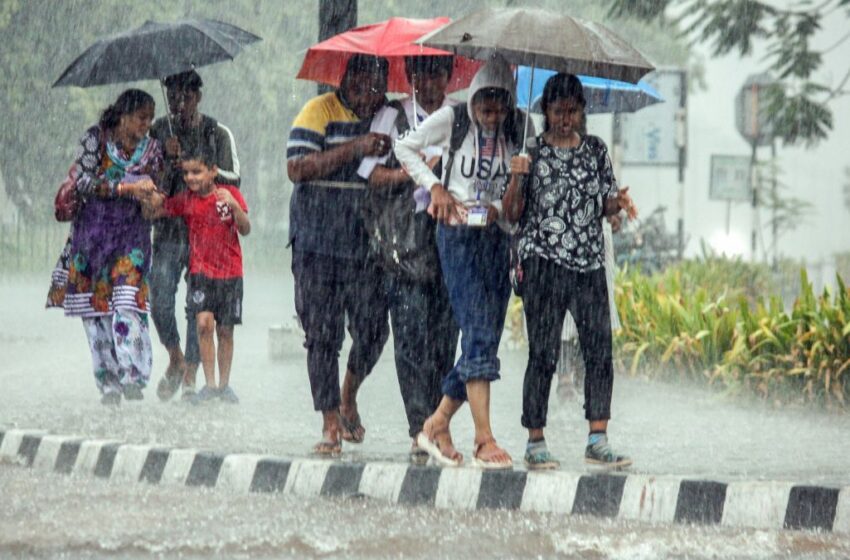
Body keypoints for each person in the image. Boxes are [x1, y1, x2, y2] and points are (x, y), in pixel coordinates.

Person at [394, 55, 532, 469]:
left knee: (484, 337)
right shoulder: (452, 120)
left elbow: (513, 208)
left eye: (499, 108)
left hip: (497, 239)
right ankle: (483, 438)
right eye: (484, 108)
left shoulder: (522, 130)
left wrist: (509, 188)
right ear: (472, 100)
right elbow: (405, 147)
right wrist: (435, 186)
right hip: (455, 235)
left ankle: (435, 422)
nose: (491, 117)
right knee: (475, 330)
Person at [503, 73, 637, 470]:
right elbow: (512, 215)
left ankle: (598, 436)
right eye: (558, 111)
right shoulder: (531, 152)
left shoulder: (595, 150)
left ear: (582, 112)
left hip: (589, 263)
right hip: (543, 262)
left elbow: (603, 204)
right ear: (545, 111)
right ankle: (535, 439)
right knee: (542, 354)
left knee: (598, 351)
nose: (565, 119)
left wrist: (619, 205)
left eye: (572, 112)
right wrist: (516, 176)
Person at [286, 54, 392, 456]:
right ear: (346, 80)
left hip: (366, 243)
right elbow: (297, 168)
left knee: (374, 329)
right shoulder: (318, 111)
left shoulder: (388, 116)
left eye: (377, 85)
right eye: (362, 82)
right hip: (316, 242)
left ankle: (349, 393)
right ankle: (330, 421)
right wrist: (356, 148)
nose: (369, 93)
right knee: (322, 335)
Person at [357, 55, 460, 463]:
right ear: (411, 76)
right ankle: (418, 426)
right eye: (421, 73)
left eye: (436, 72)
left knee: (444, 337)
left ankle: (439, 423)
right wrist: (417, 174)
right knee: (410, 337)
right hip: (403, 245)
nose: (429, 80)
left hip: (449, 240)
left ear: (448, 76)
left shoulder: (459, 118)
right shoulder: (393, 117)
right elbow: (370, 175)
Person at [60, 89, 162, 405]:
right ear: (124, 116)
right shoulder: (95, 139)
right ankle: (108, 383)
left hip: (131, 237)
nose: (147, 124)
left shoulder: (153, 149)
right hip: (93, 236)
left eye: (150, 118)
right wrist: (125, 187)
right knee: (96, 311)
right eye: (141, 118)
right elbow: (83, 182)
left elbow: (157, 191)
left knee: (128, 301)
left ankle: (133, 374)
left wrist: (153, 200)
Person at [149, 70, 241, 402]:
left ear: (198, 97)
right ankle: (175, 356)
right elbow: (149, 184)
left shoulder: (216, 132)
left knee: (197, 306)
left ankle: (191, 370)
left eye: (186, 97)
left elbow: (234, 179)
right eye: (173, 97)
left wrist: (201, 174)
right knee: (159, 295)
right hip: (170, 230)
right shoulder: (158, 132)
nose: (179, 104)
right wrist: (164, 160)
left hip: (206, 234)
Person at [143, 147, 250, 404]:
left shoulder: (229, 195)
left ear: (213, 171)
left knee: (225, 330)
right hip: (201, 273)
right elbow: (157, 211)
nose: (191, 178)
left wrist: (235, 207)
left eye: (197, 172)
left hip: (230, 273)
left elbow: (245, 229)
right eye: (187, 173)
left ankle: (224, 385)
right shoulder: (187, 201)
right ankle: (210, 385)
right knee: (203, 324)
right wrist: (149, 197)